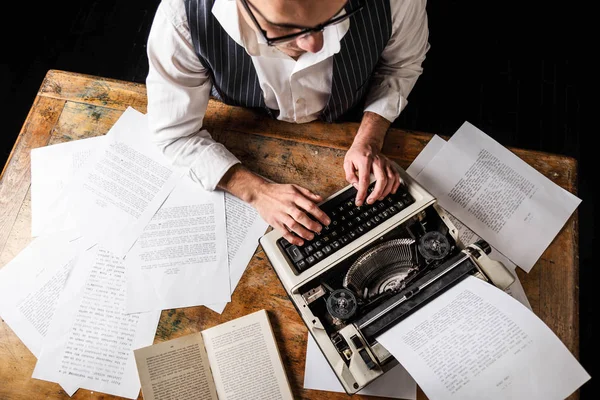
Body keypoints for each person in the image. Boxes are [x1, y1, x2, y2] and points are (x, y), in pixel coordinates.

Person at [145, 0, 430, 246]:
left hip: (352, 113)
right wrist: (255, 190)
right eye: (285, 27)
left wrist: (370, 135)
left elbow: (400, 66)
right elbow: (174, 135)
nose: (315, 44)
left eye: (333, 17)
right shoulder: (181, 18)